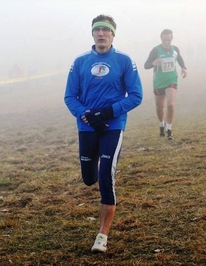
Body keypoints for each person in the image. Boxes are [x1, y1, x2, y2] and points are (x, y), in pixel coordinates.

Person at [64, 14, 143, 253]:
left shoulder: (124, 60)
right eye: (97, 30)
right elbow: (70, 96)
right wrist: (86, 115)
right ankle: (96, 167)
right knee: (90, 179)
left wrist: (108, 112)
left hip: (113, 126)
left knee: (106, 176)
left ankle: (102, 236)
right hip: (87, 127)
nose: (101, 34)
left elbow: (136, 96)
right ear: (92, 34)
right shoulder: (79, 62)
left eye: (105, 30)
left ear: (112, 34)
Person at [144, 29, 187, 139]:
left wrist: (183, 68)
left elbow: (180, 59)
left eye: (168, 40)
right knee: (160, 107)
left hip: (171, 80)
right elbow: (146, 65)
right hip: (158, 82)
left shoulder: (175, 50)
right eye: (164, 40)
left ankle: (169, 129)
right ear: (161, 39)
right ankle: (161, 124)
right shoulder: (156, 50)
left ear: (171, 39)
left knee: (170, 104)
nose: (167, 42)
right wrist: (154, 63)